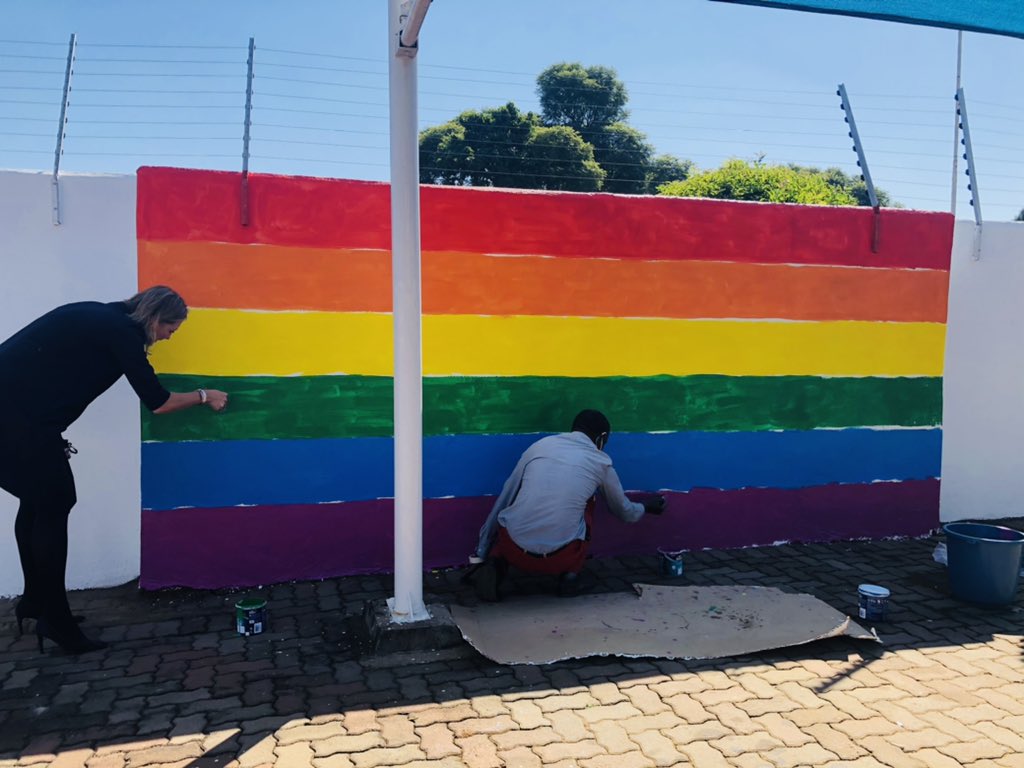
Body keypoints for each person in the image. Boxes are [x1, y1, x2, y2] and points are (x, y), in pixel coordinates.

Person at [0, 286, 228, 654]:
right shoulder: (122, 332)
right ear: (155, 317)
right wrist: (205, 396)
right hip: (19, 425)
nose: (169, 337)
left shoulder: (96, 314)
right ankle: (56, 622)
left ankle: (36, 602)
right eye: (170, 328)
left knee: (38, 503)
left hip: (20, 420)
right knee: (55, 504)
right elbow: (158, 401)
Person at [471, 409, 666, 601]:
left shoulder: (539, 447)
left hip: (512, 548)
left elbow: (506, 497)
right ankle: (570, 578)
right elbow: (624, 511)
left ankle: (496, 563)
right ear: (602, 438)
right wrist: (646, 507)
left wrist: (481, 551)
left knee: (517, 504)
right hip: (560, 558)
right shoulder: (600, 463)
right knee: (588, 502)